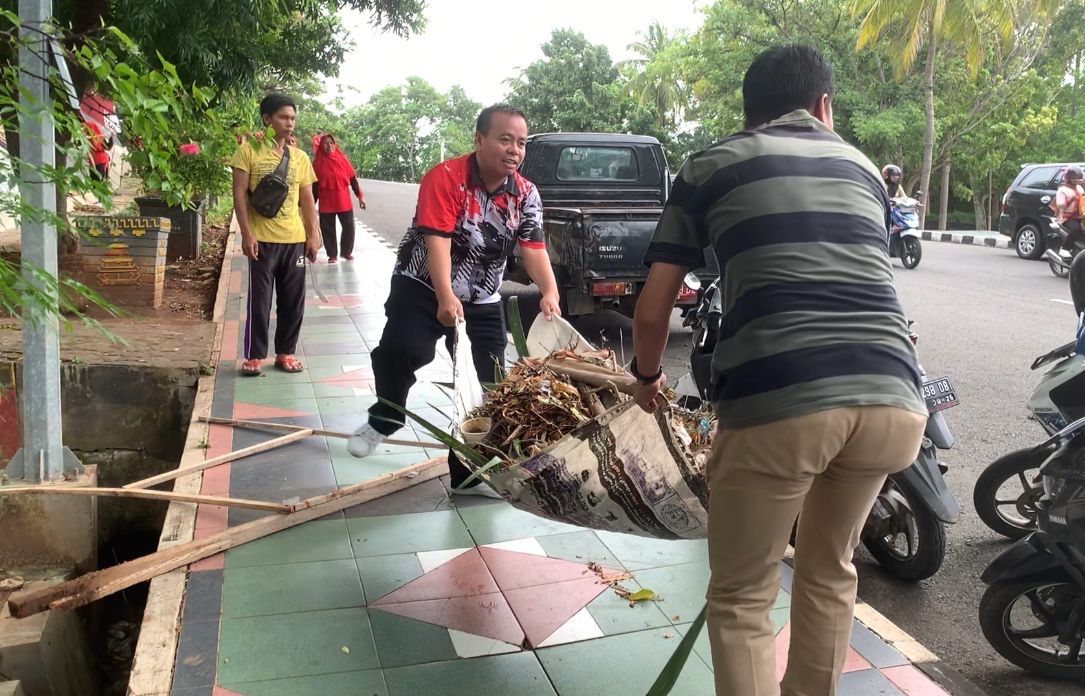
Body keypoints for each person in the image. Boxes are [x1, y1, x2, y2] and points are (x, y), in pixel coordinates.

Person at [630, 45, 928, 696]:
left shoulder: (712, 164)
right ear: (823, 107)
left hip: (779, 399)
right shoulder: (862, 169)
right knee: (830, 570)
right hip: (895, 399)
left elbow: (654, 312)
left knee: (741, 593)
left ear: (749, 110)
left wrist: (647, 380)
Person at [347, 104, 562, 496]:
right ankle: (386, 417)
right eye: (504, 139)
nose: (514, 150)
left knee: (490, 383)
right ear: (479, 140)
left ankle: (469, 473)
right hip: (422, 285)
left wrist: (549, 290)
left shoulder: (526, 194)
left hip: (482, 298)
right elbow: (438, 241)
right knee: (402, 350)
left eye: (521, 143)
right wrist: (445, 296)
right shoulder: (446, 178)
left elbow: (532, 247)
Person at [229, 93, 320, 377]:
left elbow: (307, 200)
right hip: (262, 240)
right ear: (267, 120)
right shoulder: (248, 152)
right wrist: (246, 234)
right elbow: (239, 194)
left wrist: (312, 235)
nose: (289, 123)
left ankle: (286, 353)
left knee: (294, 300)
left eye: (292, 118)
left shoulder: (301, 158)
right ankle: (255, 355)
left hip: (294, 242)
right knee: (260, 300)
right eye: (283, 117)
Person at [311, 133, 366, 263]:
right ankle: (332, 255)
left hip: (343, 201)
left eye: (331, 142)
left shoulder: (343, 160)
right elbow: (314, 187)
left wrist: (360, 197)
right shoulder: (317, 163)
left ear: (335, 145)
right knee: (328, 230)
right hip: (326, 203)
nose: (329, 145)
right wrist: (310, 206)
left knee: (349, 227)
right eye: (325, 143)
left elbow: (353, 180)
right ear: (321, 146)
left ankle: (346, 252)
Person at [1053, 165, 1085, 251]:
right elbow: (1060, 205)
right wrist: (1071, 200)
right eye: (1073, 177)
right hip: (1066, 217)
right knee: (1076, 229)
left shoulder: (1080, 188)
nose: (1075, 179)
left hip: (1081, 215)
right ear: (1068, 178)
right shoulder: (1063, 190)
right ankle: (1065, 248)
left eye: (1077, 176)